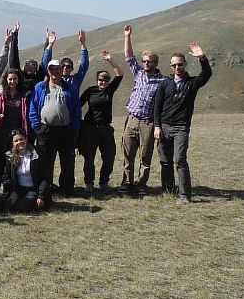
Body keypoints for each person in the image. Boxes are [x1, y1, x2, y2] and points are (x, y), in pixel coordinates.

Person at [153, 43, 212, 203]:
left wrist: (202, 58)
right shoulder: (164, 84)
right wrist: (157, 126)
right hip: (164, 127)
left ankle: (184, 195)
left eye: (180, 64)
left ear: (185, 64)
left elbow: (206, 74)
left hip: (181, 128)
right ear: (170, 66)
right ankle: (168, 191)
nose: (177, 67)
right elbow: (157, 106)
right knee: (165, 162)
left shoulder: (192, 83)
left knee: (180, 160)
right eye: (174, 65)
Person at [120, 24, 168, 195]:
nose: (146, 63)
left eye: (150, 61)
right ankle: (127, 182)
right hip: (132, 119)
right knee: (128, 153)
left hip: (148, 122)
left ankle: (141, 184)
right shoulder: (138, 73)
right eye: (145, 61)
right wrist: (127, 36)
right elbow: (128, 56)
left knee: (145, 155)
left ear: (156, 63)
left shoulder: (163, 81)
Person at [28, 59, 83, 195]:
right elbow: (33, 107)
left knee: (67, 161)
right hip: (45, 130)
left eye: (57, 69)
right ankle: (46, 189)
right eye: (52, 69)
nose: (55, 72)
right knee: (45, 162)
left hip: (65, 130)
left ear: (61, 70)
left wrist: (74, 128)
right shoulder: (40, 87)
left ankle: (67, 189)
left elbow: (77, 109)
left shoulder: (70, 88)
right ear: (48, 71)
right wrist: (37, 127)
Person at [79, 51, 124, 193]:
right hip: (90, 129)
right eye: (100, 80)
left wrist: (111, 61)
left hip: (106, 129)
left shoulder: (109, 91)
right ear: (97, 80)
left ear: (108, 81)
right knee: (89, 158)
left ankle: (104, 182)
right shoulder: (90, 91)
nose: (102, 82)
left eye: (105, 80)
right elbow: (78, 105)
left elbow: (120, 75)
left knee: (109, 157)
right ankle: (89, 183)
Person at [1, 128, 50, 211]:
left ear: (26, 139)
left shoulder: (38, 153)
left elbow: (45, 177)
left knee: (22, 206)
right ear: (12, 143)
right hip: (18, 190)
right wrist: (12, 192)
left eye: (21, 139)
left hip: (34, 190)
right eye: (16, 141)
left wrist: (41, 196)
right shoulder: (9, 156)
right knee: (5, 205)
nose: (19, 142)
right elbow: (6, 176)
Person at [0, 68, 31, 149]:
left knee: (18, 151)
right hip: (3, 130)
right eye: (10, 79)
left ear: (19, 79)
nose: (12, 81)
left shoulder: (24, 94)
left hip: (19, 129)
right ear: (6, 80)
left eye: (15, 79)